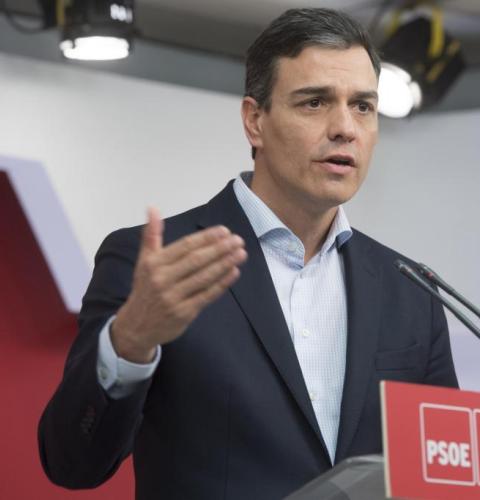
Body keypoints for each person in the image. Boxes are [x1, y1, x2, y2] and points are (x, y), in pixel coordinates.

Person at [38, 8, 458, 499]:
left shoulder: (411, 289)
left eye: (363, 106)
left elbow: (444, 473)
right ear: (255, 121)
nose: (345, 127)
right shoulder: (156, 263)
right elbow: (71, 462)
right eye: (315, 102)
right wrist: (130, 341)